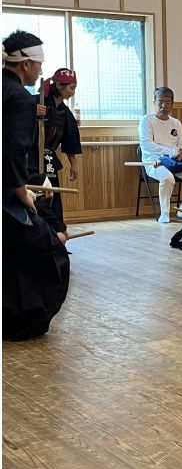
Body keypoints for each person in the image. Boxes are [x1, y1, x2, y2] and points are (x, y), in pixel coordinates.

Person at [2, 29, 70, 341]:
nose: (41, 71)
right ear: (26, 64)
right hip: (6, 192)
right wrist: (21, 191)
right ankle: (22, 322)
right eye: (39, 65)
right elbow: (13, 149)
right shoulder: (18, 98)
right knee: (47, 250)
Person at [138, 87, 182, 223]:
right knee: (167, 178)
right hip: (154, 162)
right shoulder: (146, 120)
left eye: (167, 102)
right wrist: (173, 151)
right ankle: (165, 213)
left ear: (172, 104)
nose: (163, 105)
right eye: (160, 101)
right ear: (154, 102)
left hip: (175, 163)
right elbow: (147, 145)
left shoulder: (176, 123)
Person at [29, 68, 82, 223]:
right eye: (71, 88)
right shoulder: (36, 102)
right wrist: (32, 110)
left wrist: (73, 164)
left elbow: (70, 139)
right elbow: (13, 116)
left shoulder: (65, 113)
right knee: (35, 194)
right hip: (30, 157)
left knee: (52, 194)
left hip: (49, 158)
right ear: (59, 85)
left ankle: (55, 229)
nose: (73, 92)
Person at [28, 173, 68, 245]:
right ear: (46, 191)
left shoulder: (24, 200)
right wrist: (65, 234)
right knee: (61, 237)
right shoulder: (41, 206)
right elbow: (55, 224)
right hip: (32, 240)